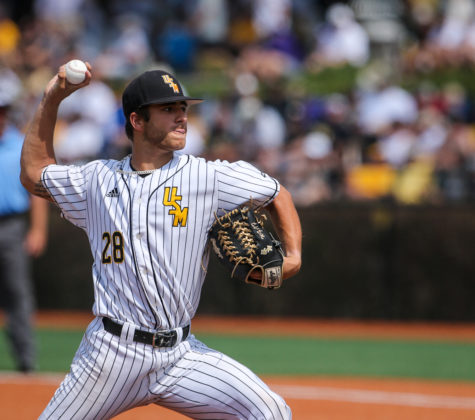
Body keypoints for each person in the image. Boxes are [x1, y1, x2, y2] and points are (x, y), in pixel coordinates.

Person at [20, 62, 302, 419]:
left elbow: (277, 194)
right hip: (110, 355)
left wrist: (293, 257)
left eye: (183, 108)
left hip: (180, 355)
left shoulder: (206, 177)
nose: (181, 117)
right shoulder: (95, 180)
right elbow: (33, 174)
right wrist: (52, 98)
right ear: (137, 121)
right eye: (168, 109)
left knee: (270, 412)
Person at [0, 72, 49, 373]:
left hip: (13, 226)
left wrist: (38, 229)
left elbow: (37, 192)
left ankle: (25, 362)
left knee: (18, 293)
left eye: (2, 110)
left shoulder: (20, 145)